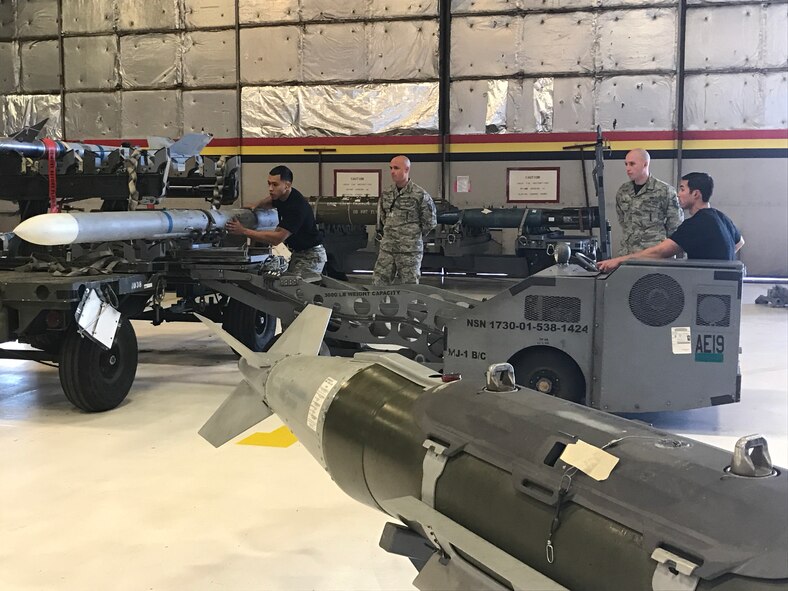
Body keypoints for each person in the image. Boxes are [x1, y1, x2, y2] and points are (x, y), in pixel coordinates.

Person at [597, 172, 744, 273]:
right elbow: (739, 243)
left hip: (704, 289)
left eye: (682, 189)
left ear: (696, 194)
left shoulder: (696, 224)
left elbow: (660, 252)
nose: (678, 194)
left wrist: (619, 261)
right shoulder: (721, 217)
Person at [226, 165, 326, 276]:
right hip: (298, 253)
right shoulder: (282, 196)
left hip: (311, 256)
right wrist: (257, 205)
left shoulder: (296, 207)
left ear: (287, 185)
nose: (270, 189)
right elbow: (271, 201)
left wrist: (244, 231)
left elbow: (277, 238)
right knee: (286, 286)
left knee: (293, 289)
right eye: (269, 183)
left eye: (275, 184)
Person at [372, 155, 437, 285]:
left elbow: (430, 222)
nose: (392, 171)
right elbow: (384, 217)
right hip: (388, 249)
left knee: (409, 288)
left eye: (396, 168)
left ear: (406, 169)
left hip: (409, 251)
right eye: (390, 168)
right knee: (378, 284)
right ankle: (380, 306)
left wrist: (410, 235)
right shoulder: (387, 193)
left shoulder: (420, 195)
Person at [615, 148, 683, 255]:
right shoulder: (623, 191)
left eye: (632, 164)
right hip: (628, 252)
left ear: (645, 164)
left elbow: (675, 225)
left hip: (655, 253)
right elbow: (622, 220)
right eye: (626, 164)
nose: (628, 168)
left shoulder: (664, 190)